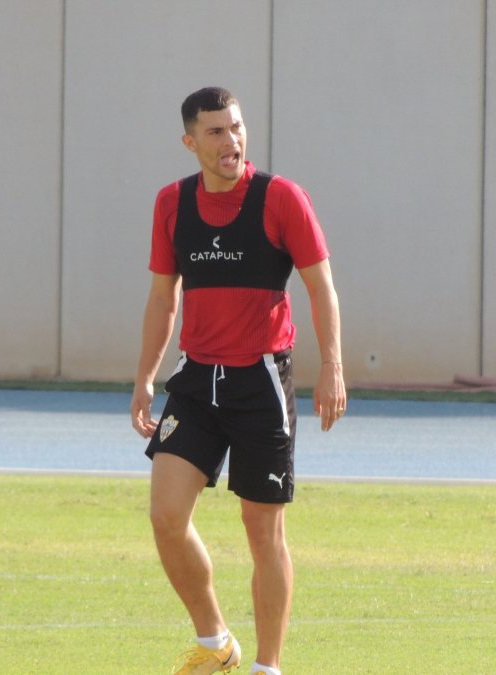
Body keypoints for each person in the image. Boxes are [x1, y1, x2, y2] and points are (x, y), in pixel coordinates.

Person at [130, 86, 346, 675]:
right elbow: (160, 298)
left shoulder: (281, 198)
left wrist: (332, 366)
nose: (233, 141)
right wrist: (146, 376)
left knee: (262, 531)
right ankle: (215, 645)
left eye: (238, 128)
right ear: (190, 141)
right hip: (196, 382)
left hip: (261, 383)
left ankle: (267, 669)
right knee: (166, 518)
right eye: (217, 132)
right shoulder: (171, 203)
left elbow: (320, 287)